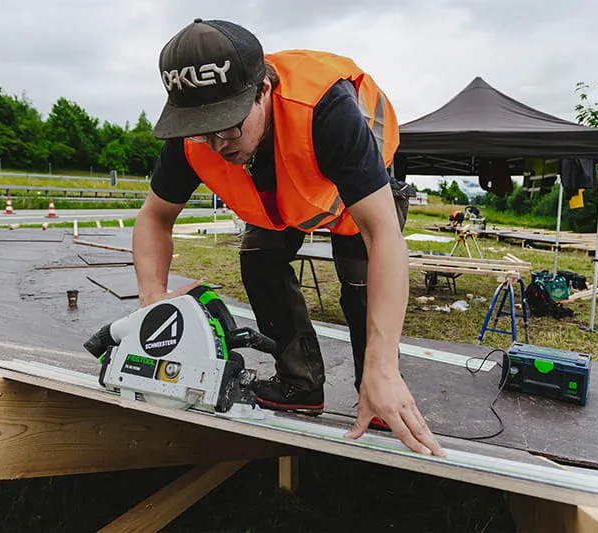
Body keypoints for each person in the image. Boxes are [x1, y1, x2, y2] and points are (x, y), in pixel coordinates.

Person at [133, 18, 444, 457]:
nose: (217, 145)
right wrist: (152, 297)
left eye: (227, 125)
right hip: (279, 195)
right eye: (203, 130)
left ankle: (375, 388)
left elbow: (384, 236)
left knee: (362, 283)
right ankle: (300, 383)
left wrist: (383, 365)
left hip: (349, 189)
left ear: (263, 89)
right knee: (258, 259)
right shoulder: (193, 139)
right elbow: (154, 219)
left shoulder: (327, 111)